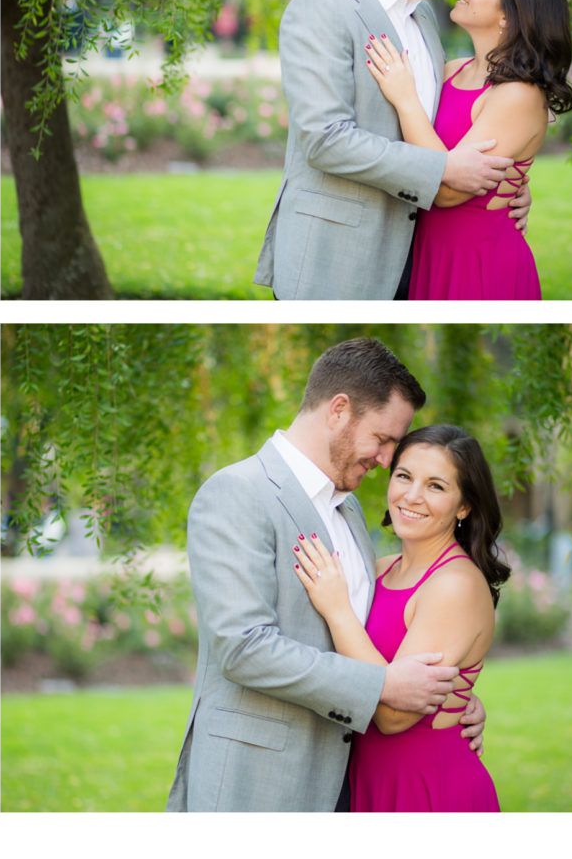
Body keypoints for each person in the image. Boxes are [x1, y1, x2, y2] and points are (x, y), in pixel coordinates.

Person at [165, 339, 487, 813]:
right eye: (383, 440)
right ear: (339, 410)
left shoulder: (350, 508)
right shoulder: (238, 492)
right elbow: (242, 647)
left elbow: (393, 629)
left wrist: (455, 705)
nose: (385, 460)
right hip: (257, 784)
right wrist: (381, 688)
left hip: (345, 784)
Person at [253, 0, 532, 300]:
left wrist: (501, 184)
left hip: (419, 260)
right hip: (336, 263)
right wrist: (444, 171)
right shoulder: (321, 7)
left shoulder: (423, 15)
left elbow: (451, 121)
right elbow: (324, 139)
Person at [294, 424, 510, 811]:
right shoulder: (377, 569)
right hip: (366, 781)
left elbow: (394, 716)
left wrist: (338, 610)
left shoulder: (455, 584)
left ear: (464, 506)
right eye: (404, 476)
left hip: (427, 789)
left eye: (436, 486)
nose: (412, 496)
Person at [364, 0, 572, 299]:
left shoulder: (519, 95)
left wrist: (406, 100)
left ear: (510, 15)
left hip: (479, 264)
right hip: (430, 254)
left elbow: (448, 191)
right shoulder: (454, 69)